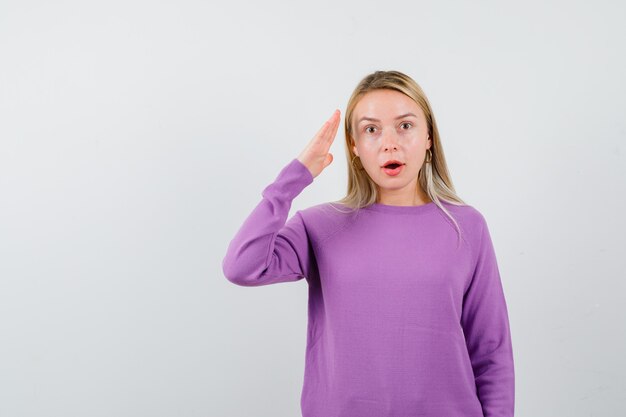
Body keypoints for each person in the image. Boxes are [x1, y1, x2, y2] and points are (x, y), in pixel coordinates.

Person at [222, 70, 515, 417]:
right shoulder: (319, 226)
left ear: (429, 137)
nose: (389, 142)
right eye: (371, 129)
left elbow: (491, 351)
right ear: (355, 147)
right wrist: (296, 176)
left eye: (405, 126)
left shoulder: (466, 226)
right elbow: (242, 266)